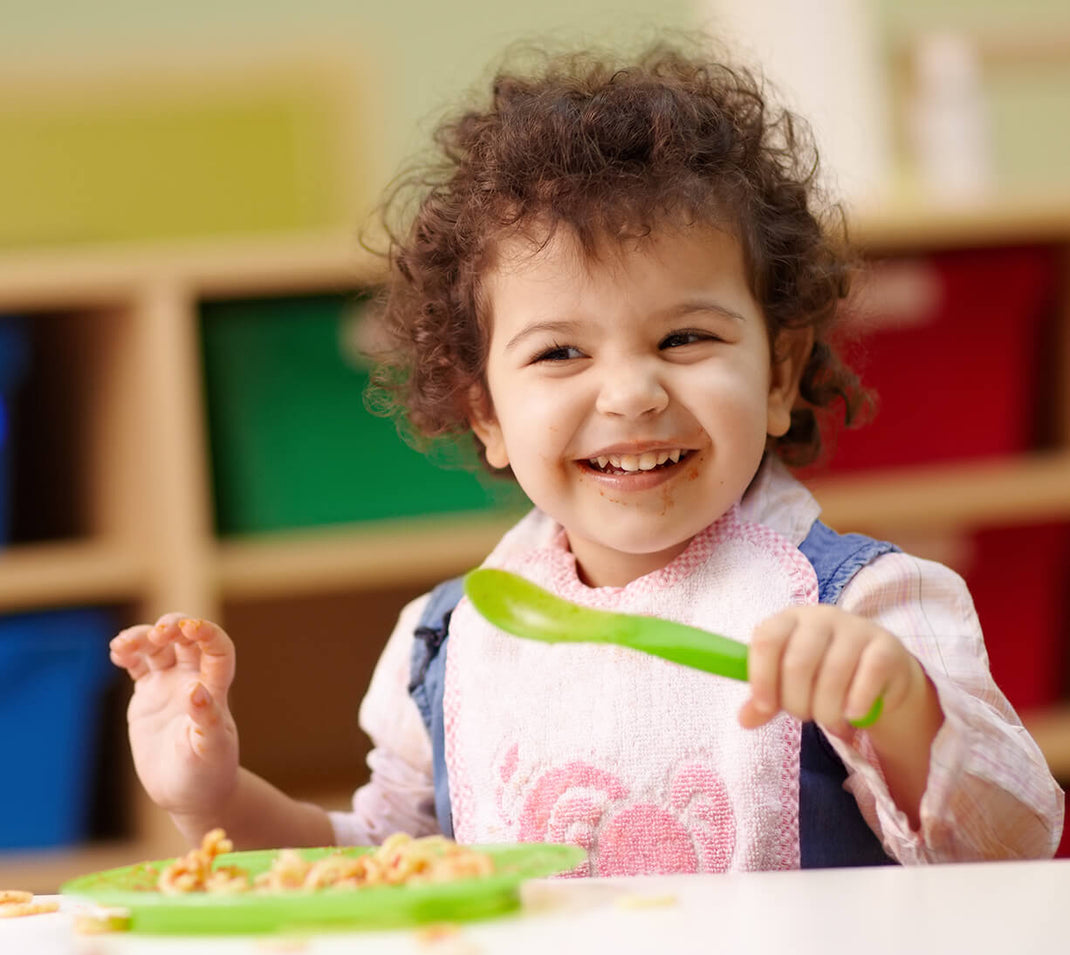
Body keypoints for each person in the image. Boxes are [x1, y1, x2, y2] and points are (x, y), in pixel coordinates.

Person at [110, 39, 1063, 872]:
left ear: (778, 376)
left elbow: (1014, 846)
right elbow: (384, 870)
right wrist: (216, 799)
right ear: (484, 411)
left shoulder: (870, 605)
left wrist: (897, 704)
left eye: (685, 338)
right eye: (561, 352)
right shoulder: (445, 642)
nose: (631, 392)